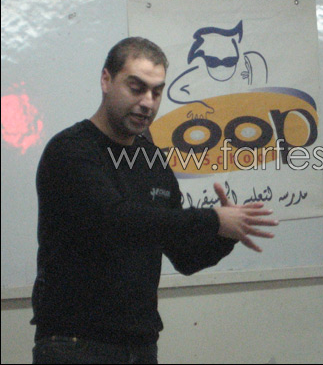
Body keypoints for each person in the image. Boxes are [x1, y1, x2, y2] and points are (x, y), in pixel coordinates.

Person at [31, 37, 278, 364]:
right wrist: (212, 219)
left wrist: (226, 235)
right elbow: (116, 220)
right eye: (136, 88)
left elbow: (185, 257)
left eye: (156, 92)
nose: (147, 102)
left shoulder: (152, 161)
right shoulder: (71, 150)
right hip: (75, 343)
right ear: (106, 80)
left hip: (141, 344)